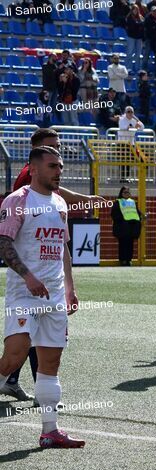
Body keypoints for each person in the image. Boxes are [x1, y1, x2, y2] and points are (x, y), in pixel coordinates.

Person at [0, 146, 85, 448]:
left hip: (55, 295)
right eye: (52, 166)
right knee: (16, 353)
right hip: (23, 293)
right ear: (33, 169)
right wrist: (28, 277)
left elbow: (63, 249)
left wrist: (70, 288)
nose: (58, 171)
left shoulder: (60, 202)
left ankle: (50, 431)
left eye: (60, 166)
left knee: (51, 362)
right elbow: (4, 242)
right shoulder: (18, 200)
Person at [110, 186, 142, 266]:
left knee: (130, 244)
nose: (127, 194)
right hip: (122, 227)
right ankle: (123, 260)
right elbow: (114, 214)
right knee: (122, 244)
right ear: (121, 193)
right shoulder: (118, 202)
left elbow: (136, 213)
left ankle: (129, 260)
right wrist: (122, 221)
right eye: (125, 192)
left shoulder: (132, 202)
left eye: (128, 192)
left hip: (131, 226)